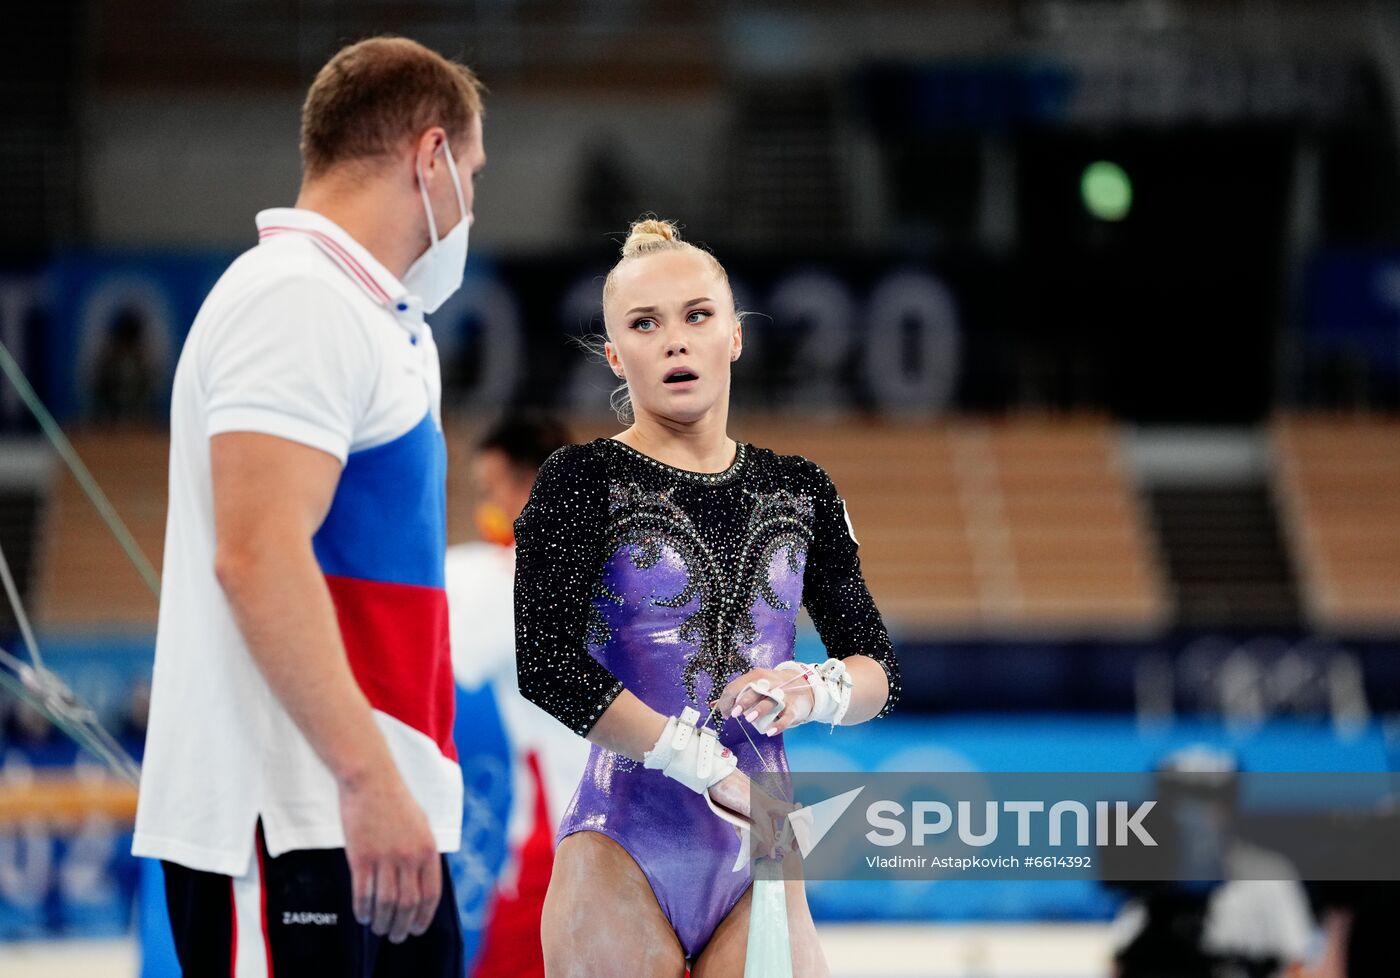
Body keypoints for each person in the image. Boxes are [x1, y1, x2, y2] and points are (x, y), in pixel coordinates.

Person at [132, 37, 486, 976]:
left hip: (364, 805)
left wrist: (388, 783)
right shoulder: (294, 299)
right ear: (432, 155)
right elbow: (256, 556)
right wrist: (365, 777)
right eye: (474, 174)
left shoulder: (376, 318)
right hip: (293, 811)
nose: (471, 206)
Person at [513, 218, 901, 977]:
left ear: (735, 335)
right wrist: (696, 759)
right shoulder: (581, 480)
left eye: (696, 316)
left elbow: (877, 669)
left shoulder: (801, 489)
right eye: (644, 324)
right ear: (615, 355)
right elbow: (546, 664)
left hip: (762, 848)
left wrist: (815, 689)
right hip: (624, 842)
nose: (675, 342)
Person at [443, 415, 590, 977]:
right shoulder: (644, 560)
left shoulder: (506, 577)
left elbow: (445, 657)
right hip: (660, 827)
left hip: (561, 832)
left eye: (491, 490)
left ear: (529, 485)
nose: (488, 507)